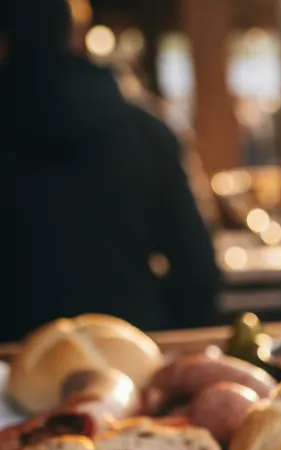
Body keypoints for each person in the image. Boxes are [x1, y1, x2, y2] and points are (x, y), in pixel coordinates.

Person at [0, 0, 219, 341]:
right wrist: (166, 342)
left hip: (13, 356)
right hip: (133, 347)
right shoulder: (145, 130)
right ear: (78, 35)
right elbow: (198, 270)